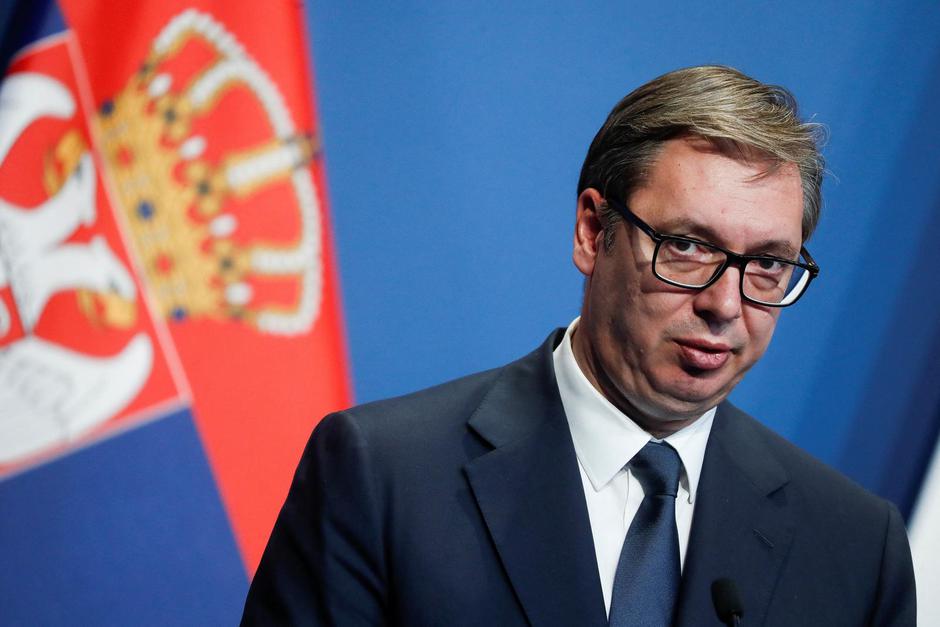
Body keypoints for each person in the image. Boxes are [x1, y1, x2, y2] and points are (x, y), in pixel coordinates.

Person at [241, 65, 916, 626]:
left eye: (768, 263)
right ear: (594, 232)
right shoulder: (381, 475)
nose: (724, 303)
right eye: (686, 245)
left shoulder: (857, 548)